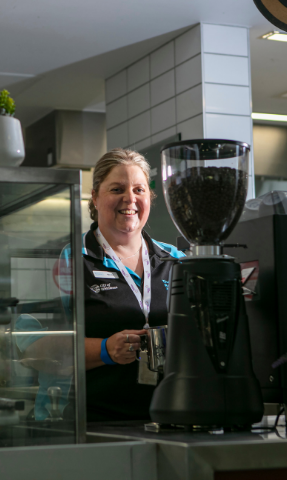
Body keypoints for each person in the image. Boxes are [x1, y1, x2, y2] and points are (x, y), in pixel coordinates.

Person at [78, 148, 185, 421]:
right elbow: (32, 345)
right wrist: (104, 349)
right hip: (95, 421)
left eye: (139, 189)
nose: (130, 199)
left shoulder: (177, 261)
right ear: (95, 197)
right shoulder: (71, 258)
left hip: (173, 417)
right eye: (117, 189)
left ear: (150, 197)